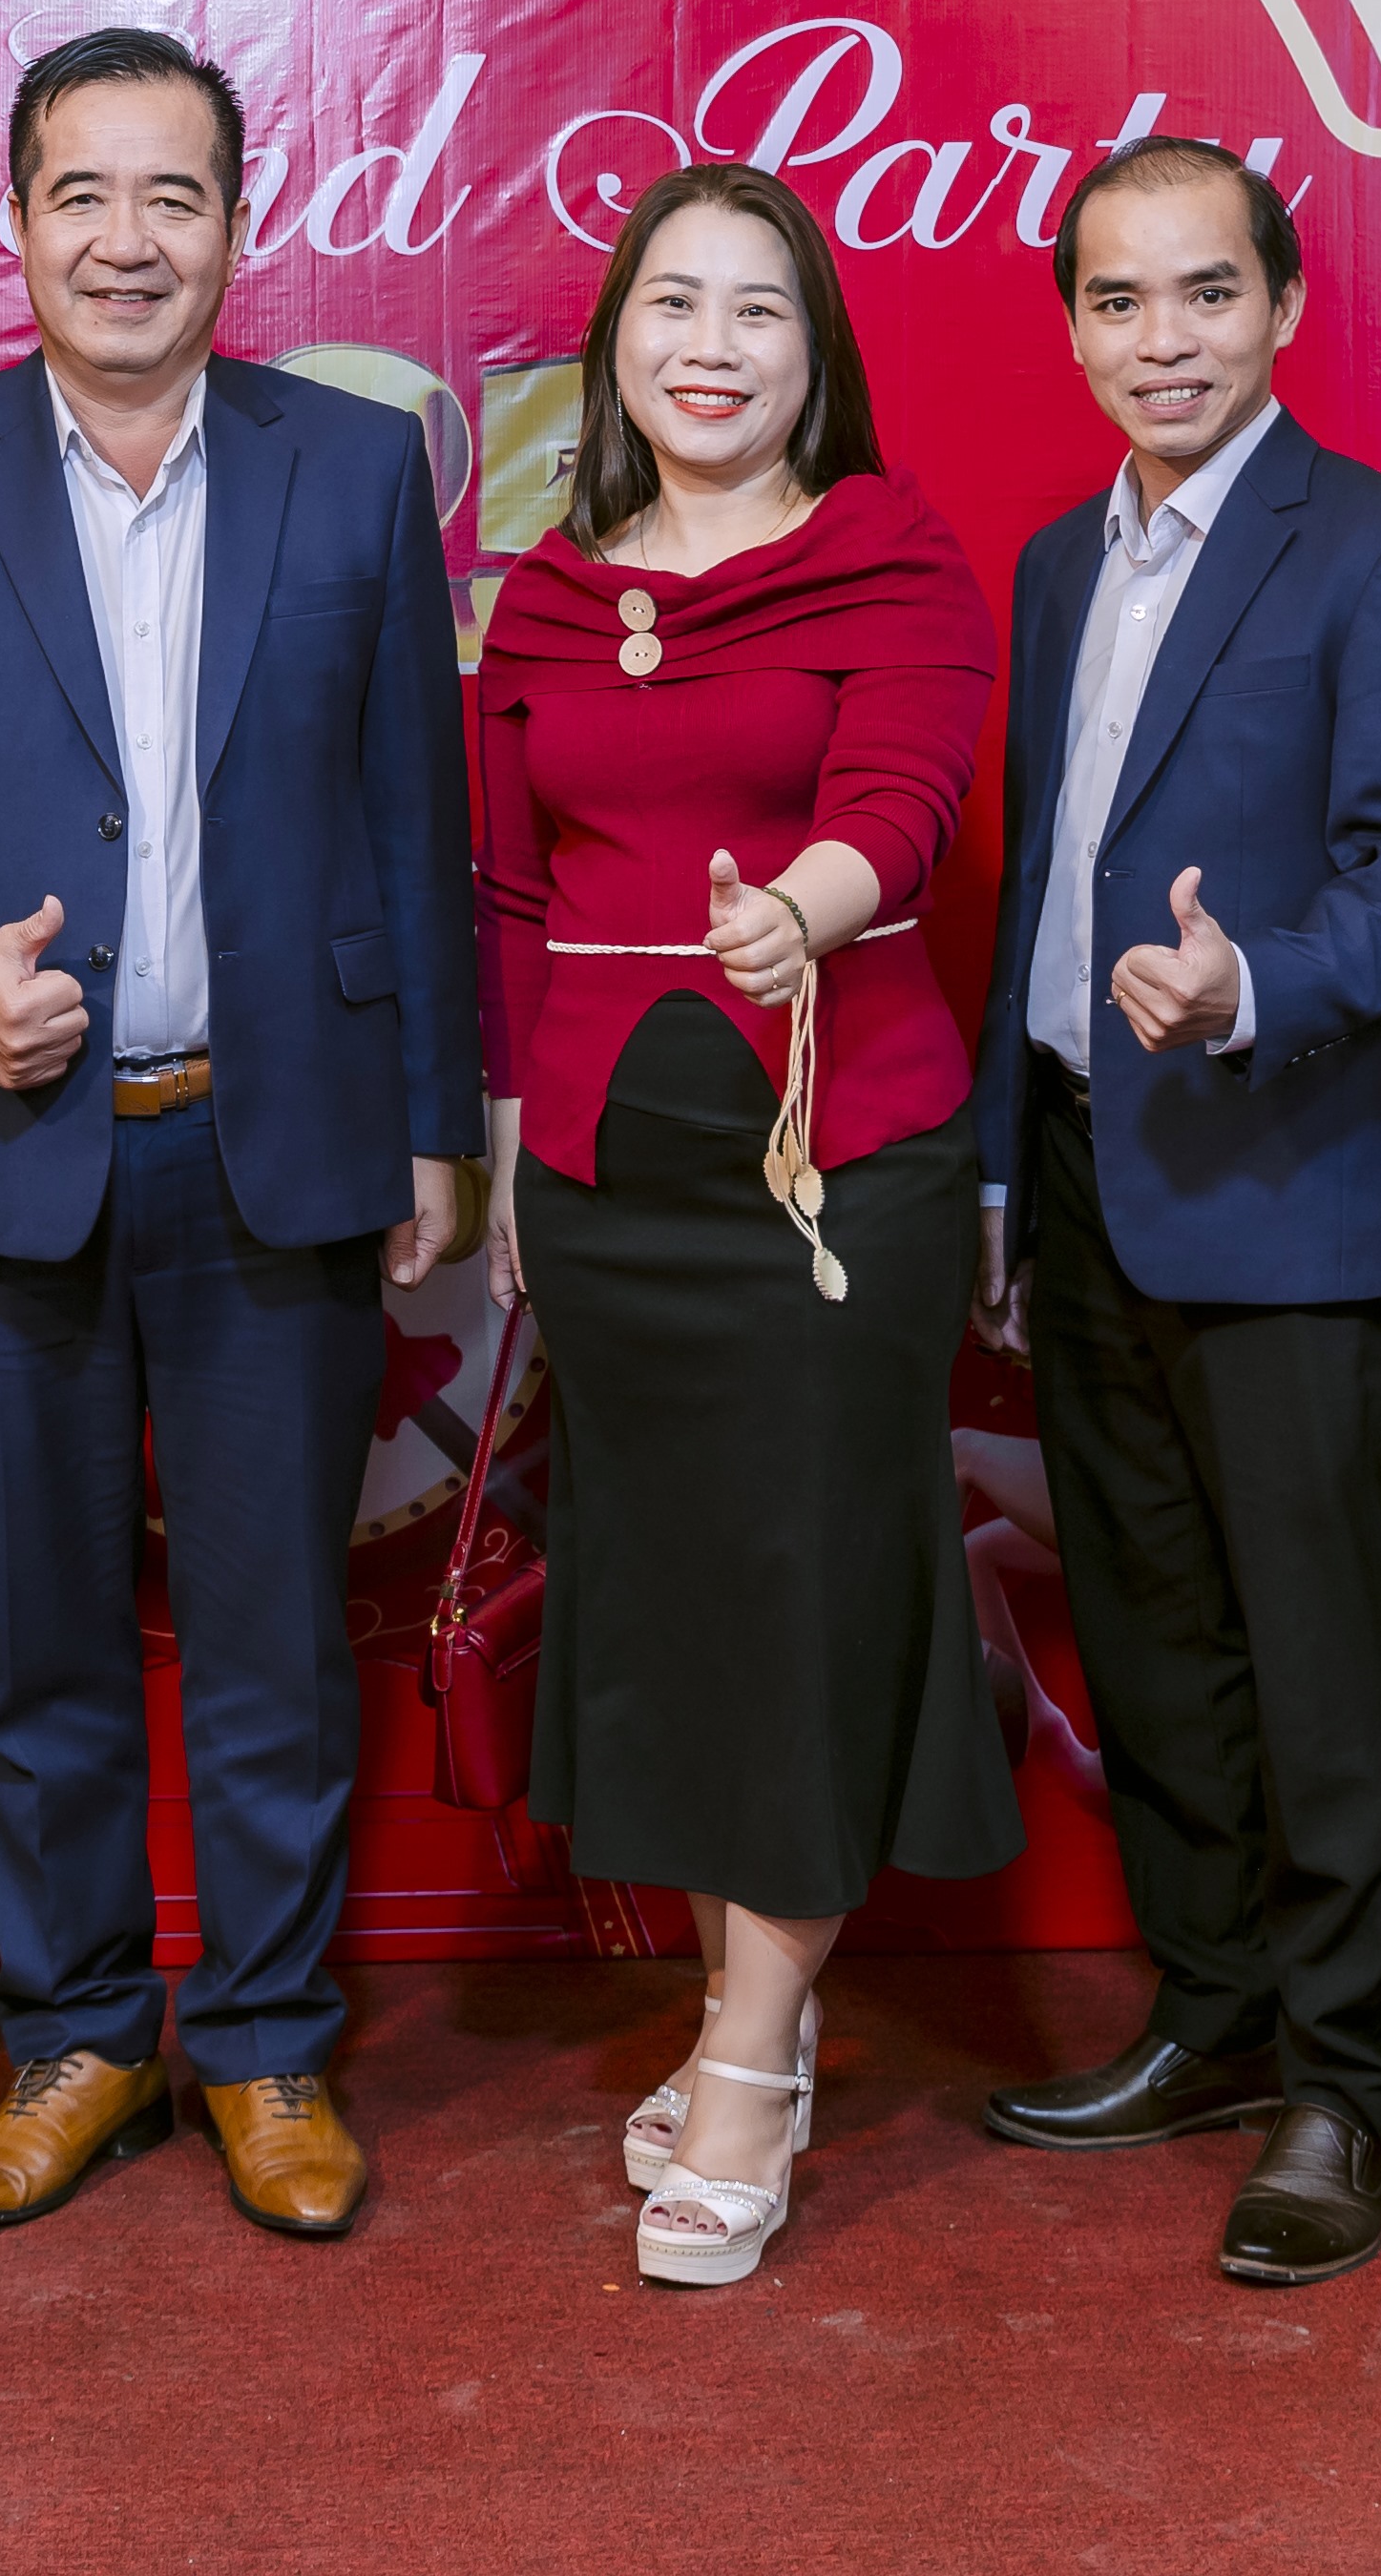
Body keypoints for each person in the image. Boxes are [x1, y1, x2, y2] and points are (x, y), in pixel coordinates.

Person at [0, 25, 480, 2245]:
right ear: (17, 219)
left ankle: (263, 2047)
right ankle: (75, 2041)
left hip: (280, 1139)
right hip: (0, 1138)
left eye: (175, 193)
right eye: (84, 191)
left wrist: (433, 1122)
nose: (128, 236)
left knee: (273, 1645)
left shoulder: (351, 466)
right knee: (40, 1648)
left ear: (240, 225)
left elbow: (416, 816)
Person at [966, 136, 1381, 2288]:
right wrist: (1004, 1162)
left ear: (1282, 307)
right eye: (1117, 300)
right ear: (1073, 327)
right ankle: (1212, 2014)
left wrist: (1252, 980)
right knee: (1151, 1633)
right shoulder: (1052, 564)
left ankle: (1353, 2078)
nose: (1161, 339)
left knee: (1318, 1658)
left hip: (1284, 1167)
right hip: (1084, 1166)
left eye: (1205, 293)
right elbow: (1036, 879)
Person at [473, 162, 1011, 2292]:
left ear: (817, 353)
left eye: (758, 308)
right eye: (673, 302)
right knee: (678, 1601)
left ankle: (752, 2057)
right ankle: (737, 2008)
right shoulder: (541, 597)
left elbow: (908, 798)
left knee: (801, 1596)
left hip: (829, 1168)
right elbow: (512, 895)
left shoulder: (888, 553)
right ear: (617, 341)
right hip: (608, 1184)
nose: (710, 344)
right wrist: (514, 1153)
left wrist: (805, 905)